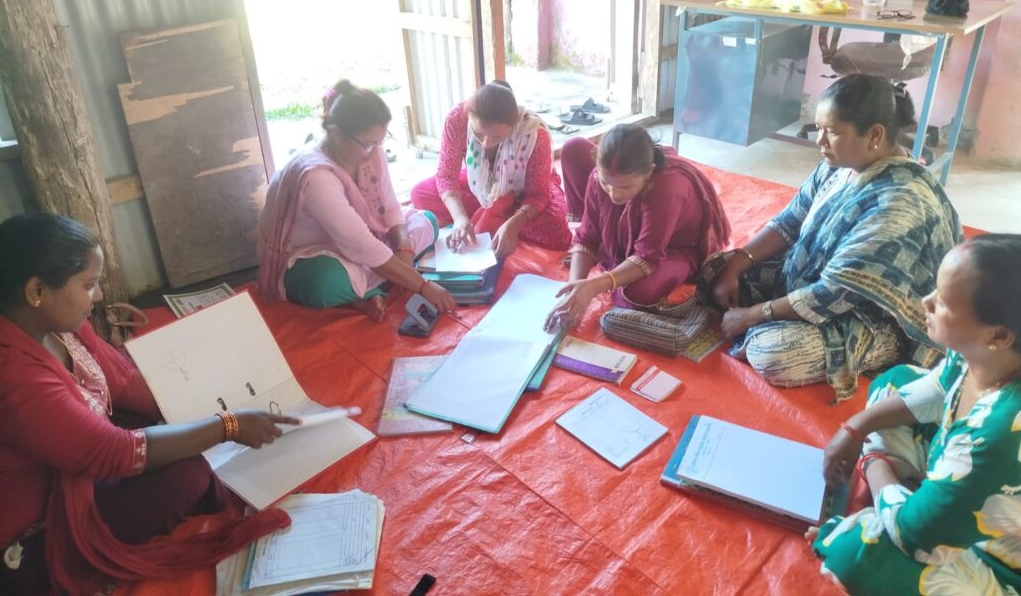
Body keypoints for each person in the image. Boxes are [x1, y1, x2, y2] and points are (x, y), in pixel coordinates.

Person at [0, 213, 299, 596]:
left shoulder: (57, 326)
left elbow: (122, 382)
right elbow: (114, 453)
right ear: (36, 290)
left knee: (163, 427)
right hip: (37, 530)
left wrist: (205, 401)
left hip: (74, 463)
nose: (99, 296)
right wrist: (226, 425)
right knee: (185, 476)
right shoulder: (11, 374)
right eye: (88, 285)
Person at [699, 75, 962, 400]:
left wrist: (752, 315)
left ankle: (884, 348)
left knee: (772, 353)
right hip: (820, 282)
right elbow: (790, 221)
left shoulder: (899, 204)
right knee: (714, 271)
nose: (820, 141)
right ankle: (769, 318)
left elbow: (830, 294)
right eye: (819, 128)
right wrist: (737, 263)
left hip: (872, 313)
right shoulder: (841, 163)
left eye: (832, 132)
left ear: (875, 135)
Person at [808, 235, 1021, 594]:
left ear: (999, 335)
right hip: (972, 477)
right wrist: (856, 426)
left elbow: (912, 538)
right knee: (894, 383)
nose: (926, 301)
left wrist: (874, 463)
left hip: (1002, 563)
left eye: (943, 302)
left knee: (857, 555)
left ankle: (909, 495)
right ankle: (923, 496)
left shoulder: (997, 431)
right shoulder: (986, 356)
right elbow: (938, 388)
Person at [258, 81, 456, 320]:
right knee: (323, 282)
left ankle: (376, 284)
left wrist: (404, 252)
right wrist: (422, 286)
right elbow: (359, 244)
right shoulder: (316, 176)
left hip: (364, 243)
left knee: (427, 222)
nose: (376, 151)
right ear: (336, 134)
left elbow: (391, 209)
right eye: (369, 143)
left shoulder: (371, 153)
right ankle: (366, 292)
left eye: (381, 141)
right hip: (312, 255)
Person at [545, 125, 731, 330]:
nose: (614, 194)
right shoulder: (598, 177)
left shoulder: (667, 188)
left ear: (649, 172)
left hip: (678, 248)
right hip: (637, 239)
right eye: (607, 184)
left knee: (633, 294)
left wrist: (593, 287)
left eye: (625, 186)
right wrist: (574, 289)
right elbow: (587, 237)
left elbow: (647, 256)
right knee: (574, 148)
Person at [409, 81, 570, 259]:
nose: (486, 143)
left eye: (497, 137)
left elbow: (538, 195)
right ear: (469, 115)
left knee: (557, 231)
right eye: (478, 133)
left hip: (522, 192)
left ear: (513, 125)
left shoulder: (532, 134)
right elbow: (446, 176)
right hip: (479, 181)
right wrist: (460, 218)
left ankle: (492, 214)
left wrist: (514, 224)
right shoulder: (457, 119)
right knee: (420, 193)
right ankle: (491, 214)